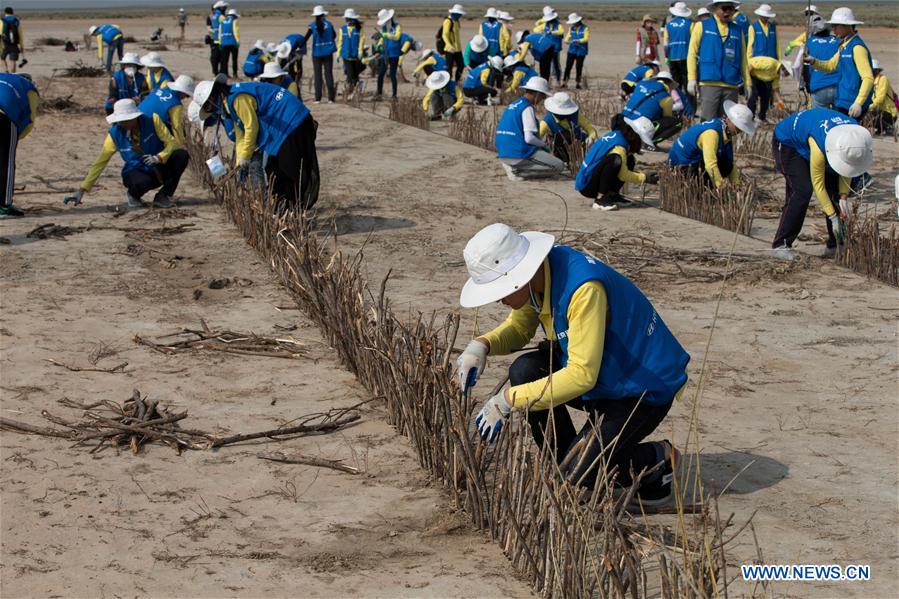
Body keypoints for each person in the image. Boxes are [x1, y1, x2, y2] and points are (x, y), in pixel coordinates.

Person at [456, 223, 689, 505]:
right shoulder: (541, 278)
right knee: (525, 371)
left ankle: (658, 457)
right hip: (604, 374)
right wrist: (481, 345)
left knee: (579, 472)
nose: (500, 300)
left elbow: (581, 376)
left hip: (640, 388)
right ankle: (566, 466)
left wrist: (506, 401)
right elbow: (519, 329)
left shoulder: (583, 288)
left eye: (500, 291)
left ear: (520, 276)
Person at [191, 75, 319, 210]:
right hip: (277, 130)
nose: (210, 111)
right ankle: (280, 209)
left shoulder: (235, 99)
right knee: (273, 169)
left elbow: (251, 127)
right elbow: (241, 135)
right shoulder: (228, 106)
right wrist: (240, 163)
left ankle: (290, 208)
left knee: (286, 171)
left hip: (290, 122)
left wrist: (245, 157)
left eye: (208, 107)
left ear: (211, 98)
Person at [771, 108, 873, 260]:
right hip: (788, 142)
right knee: (802, 190)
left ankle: (835, 245)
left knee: (835, 193)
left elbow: (847, 170)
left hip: (814, 139)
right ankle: (781, 244)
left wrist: (843, 197)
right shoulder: (820, 145)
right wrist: (833, 217)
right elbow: (818, 185)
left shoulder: (854, 135)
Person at [69, 99, 188, 209]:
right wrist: (82, 190)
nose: (123, 124)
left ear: (135, 117)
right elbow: (100, 163)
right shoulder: (115, 134)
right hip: (136, 170)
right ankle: (133, 195)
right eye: (120, 121)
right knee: (140, 182)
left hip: (159, 164)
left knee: (181, 155)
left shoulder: (153, 120)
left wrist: (159, 157)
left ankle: (163, 196)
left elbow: (171, 143)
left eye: (126, 120)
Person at [575, 114, 658, 210]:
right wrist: (644, 177)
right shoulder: (619, 148)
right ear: (636, 137)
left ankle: (612, 195)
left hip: (591, 178)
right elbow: (623, 174)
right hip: (587, 185)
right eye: (642, 142)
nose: (641, 145)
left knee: (630, 159)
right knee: (615, 160)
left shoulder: (618, 135)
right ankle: (601, 199)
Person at [668, 100, 756, 188]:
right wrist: (722, 187)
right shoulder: (712, 133)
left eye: (741, 129)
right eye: (738, 127)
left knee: (726, 163)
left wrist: (737, 186)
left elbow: (730, 162)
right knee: (716, 169)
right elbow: (710, 164)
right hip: (681, 166)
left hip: (694, 160)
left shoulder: (723, 127)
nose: (739, 131)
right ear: (729, 119)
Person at [805, 7, 874, 120]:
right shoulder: (843, 46)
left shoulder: (857, 47)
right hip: (843, 100)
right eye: (833, 25)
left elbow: (868, 78)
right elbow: (831, 66)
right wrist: (813, 61)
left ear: (847, 26)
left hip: (853, 103)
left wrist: (859, 103)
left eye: (836, 25)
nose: (833, 29)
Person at [687, 0, 750, 121]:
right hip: (709, 83)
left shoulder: (738, 30)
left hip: (731, 84)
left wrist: (748, 83)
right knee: (708, 123)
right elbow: (692, 54)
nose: (728, 12)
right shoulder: (701, 26)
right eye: (724, 8)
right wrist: (692, 79)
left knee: (727, 125)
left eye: (731, 9)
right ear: (715, 8)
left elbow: (743, 58)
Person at [495, 77, 565, 181]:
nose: (543, 99)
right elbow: (529, 138)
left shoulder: (514, 104)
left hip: (503, 151)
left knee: (546, 160)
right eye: (543, 95)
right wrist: (544, 145)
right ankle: (518, 171)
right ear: (537, 94)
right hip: (517, 153)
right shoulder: (527, 107)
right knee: (558, 166)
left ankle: (513, 166)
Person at [0, 72, 37, 218]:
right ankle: (5, 204)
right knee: (6, 162)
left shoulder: (2, 77)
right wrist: (15, 138)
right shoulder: (29, 88)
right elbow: (29, 120)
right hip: (4, 117)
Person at [621, 71, 684, 146]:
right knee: (678, 123)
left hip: (622, 121)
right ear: (670, 84)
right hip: (639, 126)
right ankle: (649, 142)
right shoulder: (666, 97)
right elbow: (666, 117)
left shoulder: (641, 83)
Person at [538, 91, 597, 165]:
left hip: (578, 143)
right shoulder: (546, 122)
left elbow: (590, 129)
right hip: (560, 149)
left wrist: (591, 138)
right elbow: (535, 139)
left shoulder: (576, 115)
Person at [138, 74, 194, 146]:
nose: (185, 98)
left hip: (137, 117)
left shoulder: (159, 90)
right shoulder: (175, 104)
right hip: (146, 126)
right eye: (187, 95)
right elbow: (176, 126)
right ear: (183, 92)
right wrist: (181, 144)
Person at [804, 16, 840, 109]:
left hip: (818, 86)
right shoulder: (838, 41)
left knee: (821, 119)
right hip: (838, 86)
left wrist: (807, 86)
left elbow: (805, 68)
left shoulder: (809, 43)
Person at [304, 5, 337, 103]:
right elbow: (334, 35)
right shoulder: (329, 24)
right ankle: (331, 98)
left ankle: (318, 98)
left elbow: (306, 38)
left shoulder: (312, 25)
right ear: (323, 15)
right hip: (328, 52)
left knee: (318, 75)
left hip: (317, 53)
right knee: (329, 74)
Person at [664, 3, 692, 95]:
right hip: (686, 57)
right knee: (688, 83)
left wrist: (667, 56)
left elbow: (666, 44)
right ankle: (689, 105)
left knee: (675, 84)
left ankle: (677, 104)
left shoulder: (668, 25)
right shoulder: (690, 24)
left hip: (673, 58)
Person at [337, 9, 365, 99]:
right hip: (346, 55)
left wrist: (360, 51)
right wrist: (338, 53)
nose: (347, 20)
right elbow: (340, 41)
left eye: (349, 18)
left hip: (356, 55)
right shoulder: (342, 29)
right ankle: (350, 92)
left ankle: (354, 91)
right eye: (347, 18)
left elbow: (361, 41)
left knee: (354, 75)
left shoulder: (359, 29)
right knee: (350, 74)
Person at [376, 8, 401, 99]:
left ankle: (394, 95)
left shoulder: (397, 26)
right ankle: (379, 94)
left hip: (394, 54)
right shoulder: (383, 28)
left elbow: (397, 37)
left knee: (393, 74)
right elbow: (382, 38)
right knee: (381, 74)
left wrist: (387, 35)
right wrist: (379, 45)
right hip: (385, 53)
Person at [535, 7, 564, 85]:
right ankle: (547, 79)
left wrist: (552, 32)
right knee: (547, 63)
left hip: (555, 48)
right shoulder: (545, 24)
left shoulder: (558, 25)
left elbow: (561, 31)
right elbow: (536, 28)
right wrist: (542, 30)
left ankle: (557, 79)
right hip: (547, 47)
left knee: (555, 64)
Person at [870, 60, 897, 135]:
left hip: (889, 113)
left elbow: (880, 99)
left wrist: (868, 107)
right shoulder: (871, 81)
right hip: (878, 110)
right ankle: (881, 128)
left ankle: (888, 127)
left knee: (868, 113)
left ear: (877, 70)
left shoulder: (883, 79)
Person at [563, 13, 588, 90]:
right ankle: (565, 82)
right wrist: (566, 41)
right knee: (568, 66)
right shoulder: (571, 29)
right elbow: (567, 37)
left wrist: (579, 40)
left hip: (581, 51)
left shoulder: (585, 28)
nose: (573, 24)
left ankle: (578, 83)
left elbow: (586, 38)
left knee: (578, 67)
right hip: (572, 50)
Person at [442, 4, 466, 82]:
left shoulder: (456, 22)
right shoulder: (448, 21)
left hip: (457, 49)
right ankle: (448, 83)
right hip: (450, 49)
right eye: (459, 14)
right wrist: (449, 45)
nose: (460, 16)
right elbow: (444, 35)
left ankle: (457, 81)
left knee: (461, 65)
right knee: (449, 68)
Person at [218, 8, 240, 78]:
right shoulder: (234, 21)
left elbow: (220, 33)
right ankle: (235, 74)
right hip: (233, 43)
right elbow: (235, 32)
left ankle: (225, 74)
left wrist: (220, 42)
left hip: (224, 43)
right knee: (234, 59)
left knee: (225, 60)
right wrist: (237, 42)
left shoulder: (222, 22)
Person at [206, 1, 226, 75]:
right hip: (213, 39)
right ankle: (215, 72)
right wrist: (216, 32)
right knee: (215, 57)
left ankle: (222, 72)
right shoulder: (211, 17)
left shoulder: (222, 16)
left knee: (222, 57)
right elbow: (208, 28)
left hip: (222, 40)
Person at [1, 7, 23, 74]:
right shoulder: (16, 20)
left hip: (4, 43)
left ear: (5, 12)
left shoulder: (2, 20)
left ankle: (6, 71)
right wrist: (22, 46)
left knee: (2, 58)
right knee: (13, 60)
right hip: (14, 44)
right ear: (12, 12)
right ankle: (13, 74)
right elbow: (20, 34)